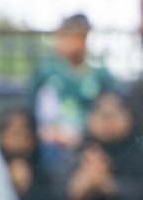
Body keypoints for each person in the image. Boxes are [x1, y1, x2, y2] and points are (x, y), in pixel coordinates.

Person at [30, 13, 115, 165]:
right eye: (65, 36)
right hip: (50, 149)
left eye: (78, 36)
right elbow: (30, 111)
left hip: (91, 147)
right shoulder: (45, 72)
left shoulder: (101, 75)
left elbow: (112, 111)